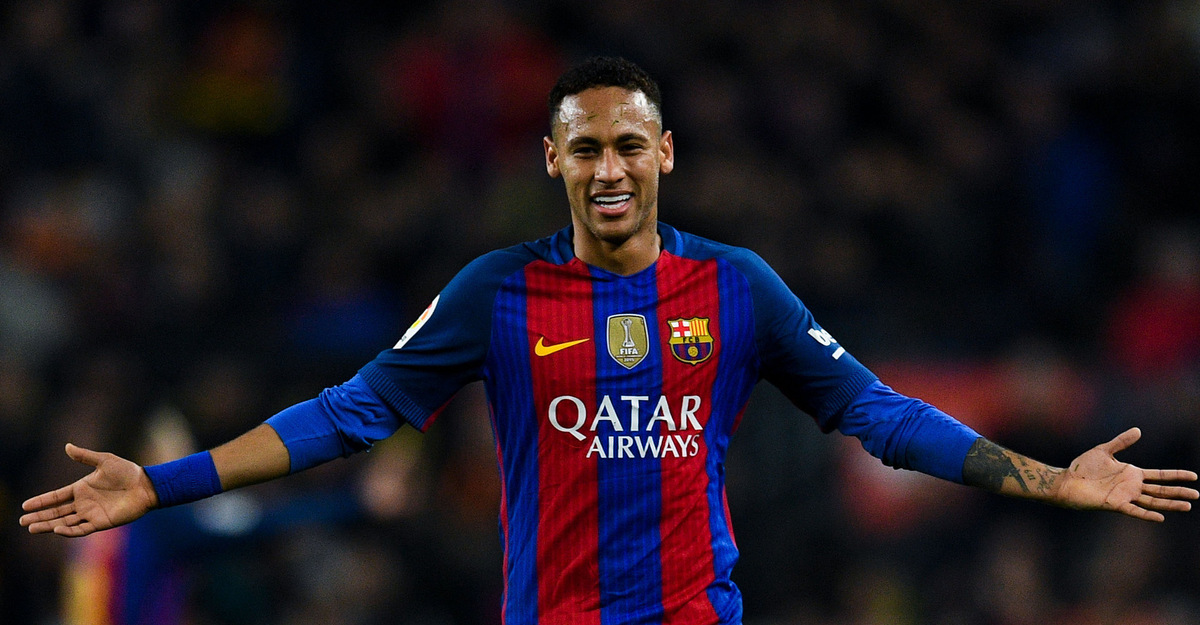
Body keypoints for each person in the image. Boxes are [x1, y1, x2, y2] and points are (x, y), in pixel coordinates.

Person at [20, 56, 1198, 625]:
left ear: (665, 152)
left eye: (629, 143)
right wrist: (162, 483)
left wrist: (1053, 478)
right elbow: (348, 413)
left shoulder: (736, 287)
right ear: (553, 160)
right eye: (584, 147)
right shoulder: (496, 293)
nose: (609, 167)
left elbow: (878, 415)